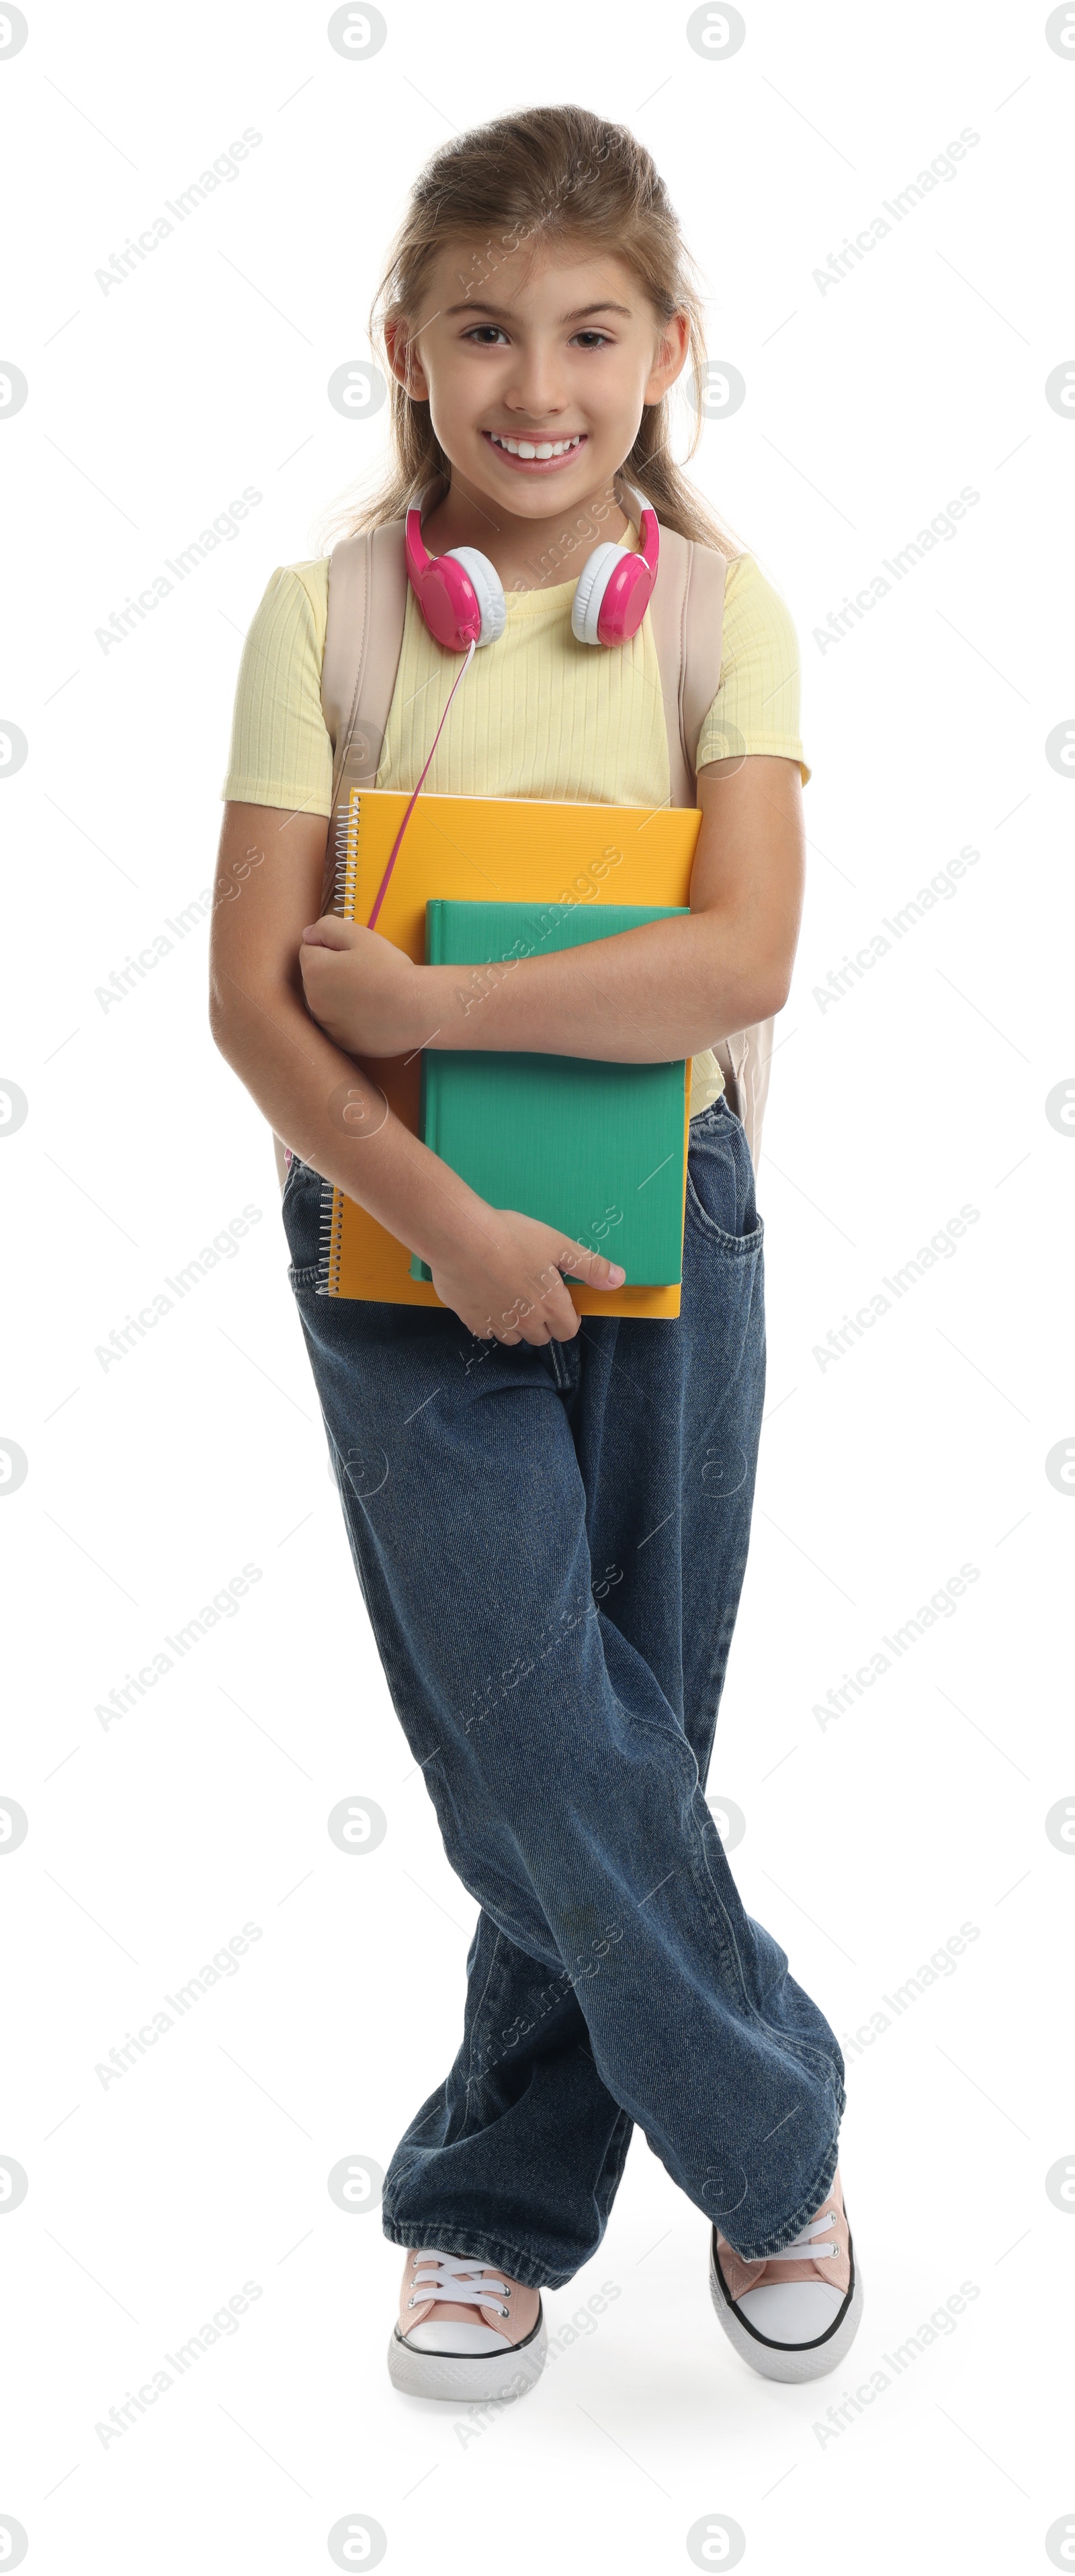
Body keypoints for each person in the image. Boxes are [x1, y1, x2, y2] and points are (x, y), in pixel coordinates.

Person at [210, 103, 862, 2403]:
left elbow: (740, 952)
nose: (536, 384)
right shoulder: (328, 617)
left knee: (625, 1729)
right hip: (398, 1238)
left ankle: (489, 2201)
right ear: (406, 346)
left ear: (670, 348)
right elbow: (246, 1007)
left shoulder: (723, 614)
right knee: (528, 1740)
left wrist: (445, 1008)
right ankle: (775, 2136)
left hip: (666, 1218)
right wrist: (451, 1208)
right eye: (483, 330)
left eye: (591, 331)